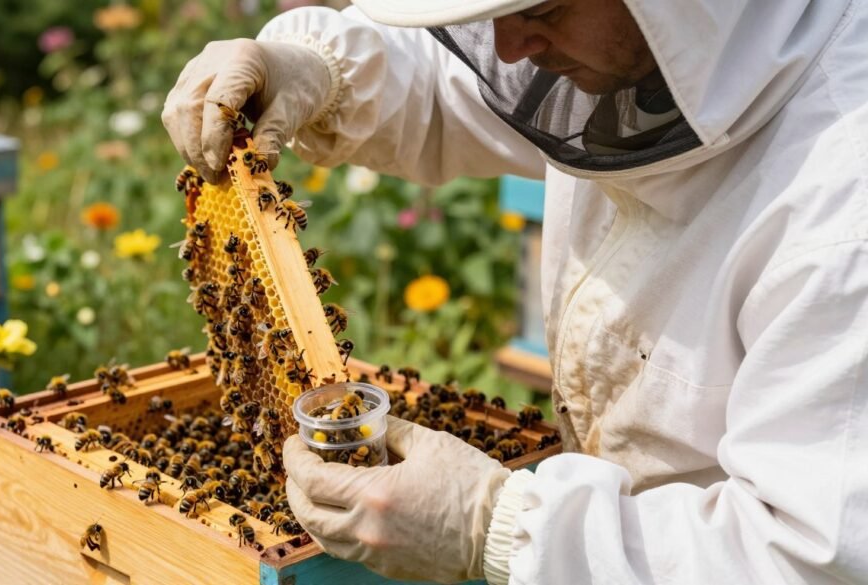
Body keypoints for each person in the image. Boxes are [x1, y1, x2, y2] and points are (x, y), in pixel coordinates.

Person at [162, 0, 868, 583]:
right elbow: (455, 81)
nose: (506, 46)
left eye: (542, 8)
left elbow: (813, 557)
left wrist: (504, 526)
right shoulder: (633, 42)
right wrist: (317, 70)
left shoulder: (841, 203)